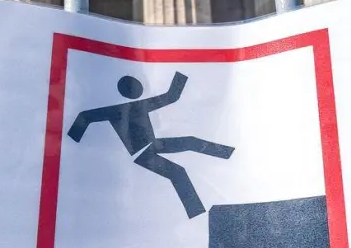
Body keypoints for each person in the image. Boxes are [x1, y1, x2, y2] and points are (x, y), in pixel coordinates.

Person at [67, 72, 234, 218]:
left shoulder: (134, 105)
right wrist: (72, 142)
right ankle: (196, 212)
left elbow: (171, 96)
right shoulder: (118, 109)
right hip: (142, 155)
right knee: (178, 172)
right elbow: (86, 116)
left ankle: (231, 154)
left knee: (189, 142)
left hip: (153, 145)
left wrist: (182, 73)